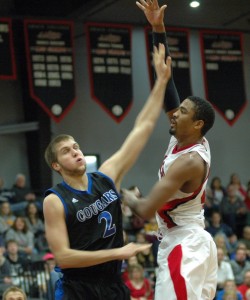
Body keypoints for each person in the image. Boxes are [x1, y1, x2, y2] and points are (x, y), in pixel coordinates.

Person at [43, 43, 172, 300]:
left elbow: (142, 128)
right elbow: (64, 257)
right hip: (77, 288)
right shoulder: (54, 200)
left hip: (113, 284)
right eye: (67, 151)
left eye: (76, 147)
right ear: (56, 165)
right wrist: (117, 252)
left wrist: (161, 81)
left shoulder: (105, 177)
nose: (76, 152)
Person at [122, 1, 217, 299]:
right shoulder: (184, 138)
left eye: (183, 112)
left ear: (198, 123)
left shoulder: (189, 161)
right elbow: (168, 87)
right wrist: (157, 28)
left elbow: (146, 209)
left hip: (184, 245)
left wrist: (124, 194)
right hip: (187, 242)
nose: (175, 114)